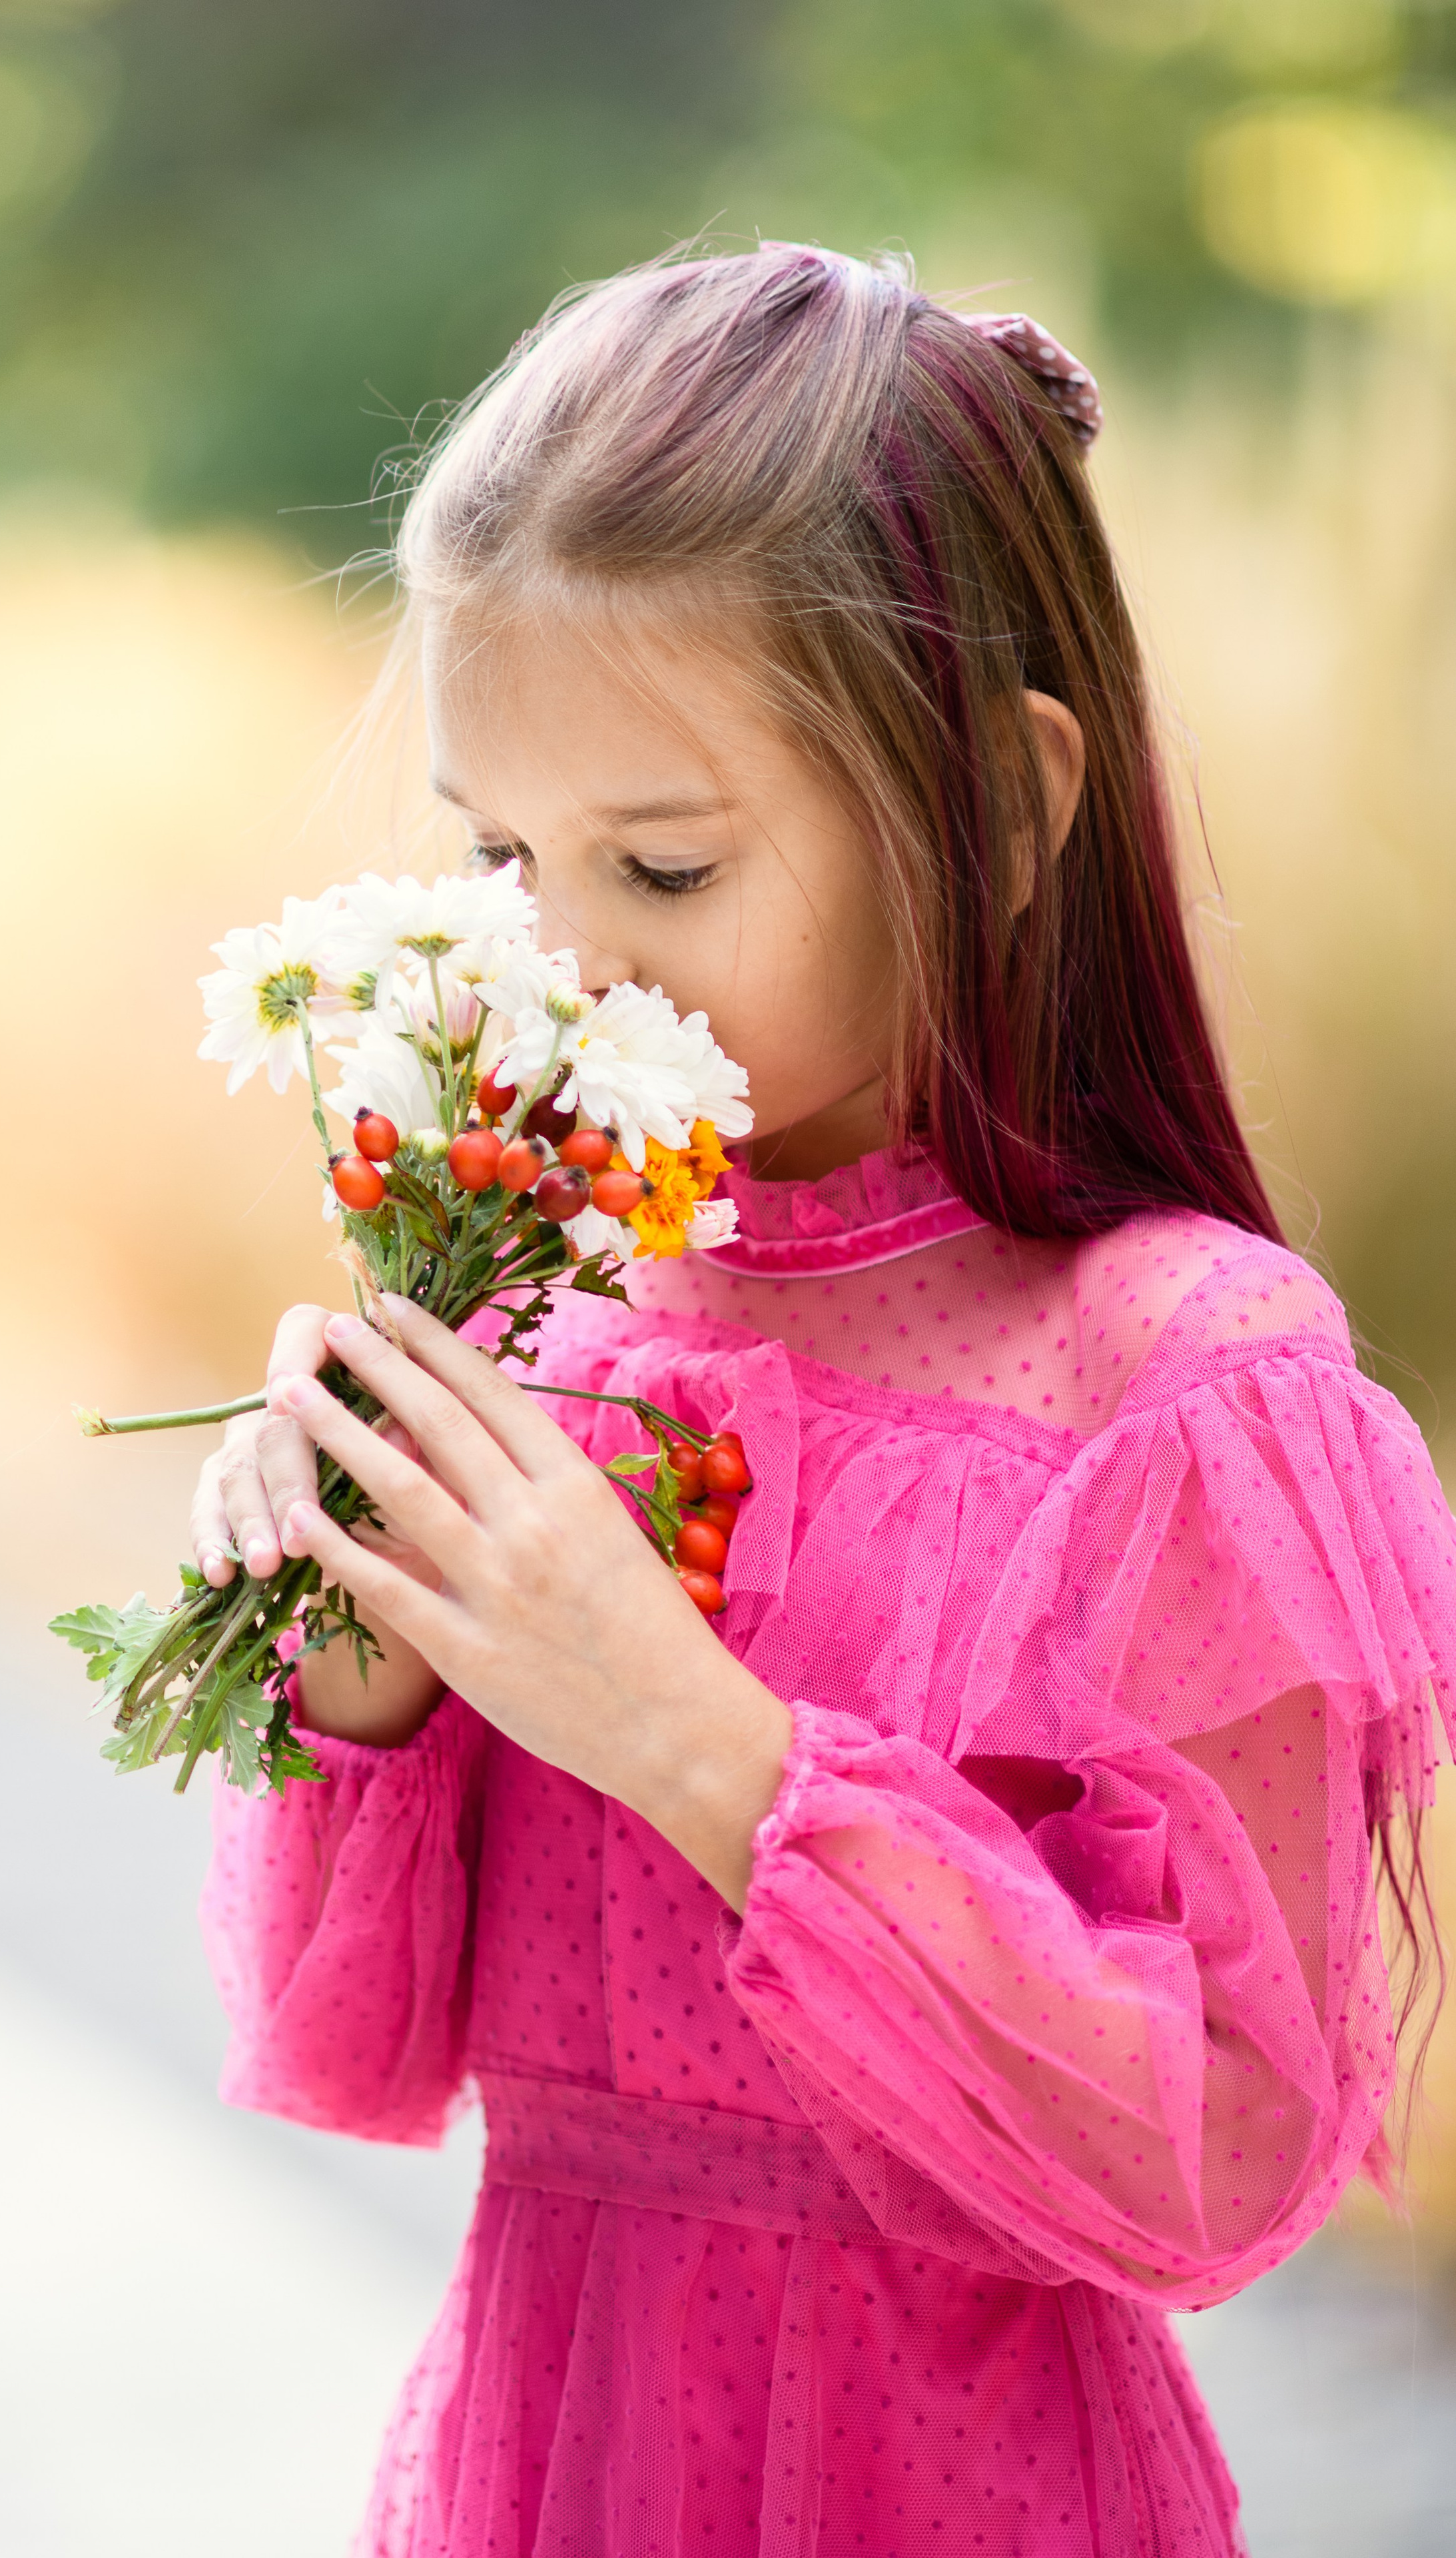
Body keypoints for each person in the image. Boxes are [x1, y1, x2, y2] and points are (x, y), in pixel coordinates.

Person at [192, 246, 1456, 2557]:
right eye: (499, 854)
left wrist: (700, 1743)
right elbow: (343, 2044)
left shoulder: (1180, 1385)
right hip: (542, 2457)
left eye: (664, 864)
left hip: (956, 2480)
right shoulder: (540, 1311)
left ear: (992, 803)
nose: (557, 962)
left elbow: (1219, 2160)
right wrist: (361, 1666)